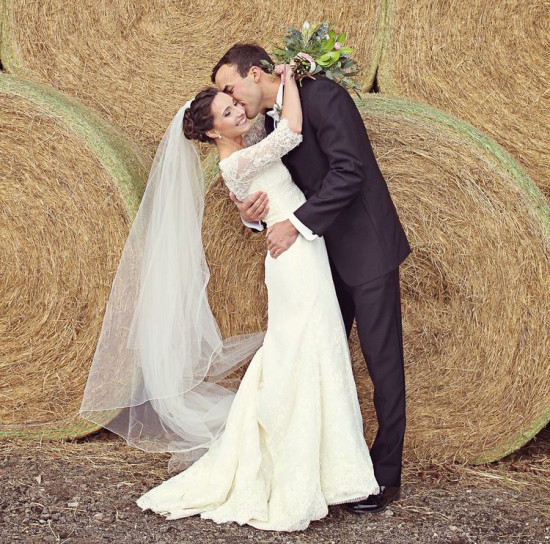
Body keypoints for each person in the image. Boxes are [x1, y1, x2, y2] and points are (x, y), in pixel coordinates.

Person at [81, 64, 378, 532]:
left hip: (299, 250)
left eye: (235, 102)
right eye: (227, 110)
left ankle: (322, 467)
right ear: (209, 130)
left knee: (308, 350)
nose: (239, 110)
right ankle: (297, 468)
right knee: (305, 351)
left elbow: (265, 186)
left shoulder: (242, 153)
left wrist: (250, 212)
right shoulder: (236, 161)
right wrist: (291, 78)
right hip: (295, 258)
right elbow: (294, 131)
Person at [212, 44, 411, 513]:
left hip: (365, 248)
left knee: (383, 367)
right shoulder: (268, 122)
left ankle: (386, 477)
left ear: (257, 74)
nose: (232, 100)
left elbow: (350, 171)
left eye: (230, 87)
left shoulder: (322, 97)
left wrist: (296, 223)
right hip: (317, 260)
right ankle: (328, 470)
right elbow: (272, 188)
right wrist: (252, 214)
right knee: (319, 365)